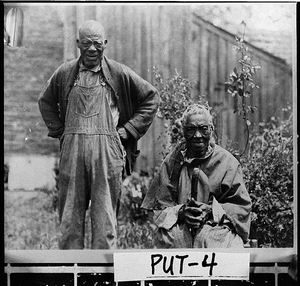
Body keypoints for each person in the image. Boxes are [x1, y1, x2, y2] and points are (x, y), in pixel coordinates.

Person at [38, 20, 159, 249]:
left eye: (96, 43)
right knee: (70, 216)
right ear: (78, 44)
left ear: (105, 44)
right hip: (73, 151)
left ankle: (100, 274)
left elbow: (150, 98)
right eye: (86, 43)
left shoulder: (119, 72)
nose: (92, 49)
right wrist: (61, 132)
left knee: (104, 216)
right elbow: (45, 101)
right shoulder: (65, 73)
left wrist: (127, 131)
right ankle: (71, 271)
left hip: (107, 151)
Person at [141, 104, 251, 248]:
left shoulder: (228, 162)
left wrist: (210, 211)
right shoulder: (173, 162)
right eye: (191, 129)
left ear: (211, 129)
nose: (197, 135)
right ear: (183, 131)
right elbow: (159, 207)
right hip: (180, 226)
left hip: (216, 227)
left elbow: (240, 207)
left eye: (203, 128)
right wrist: (181, 212)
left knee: (207, 239)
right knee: (171, 239)